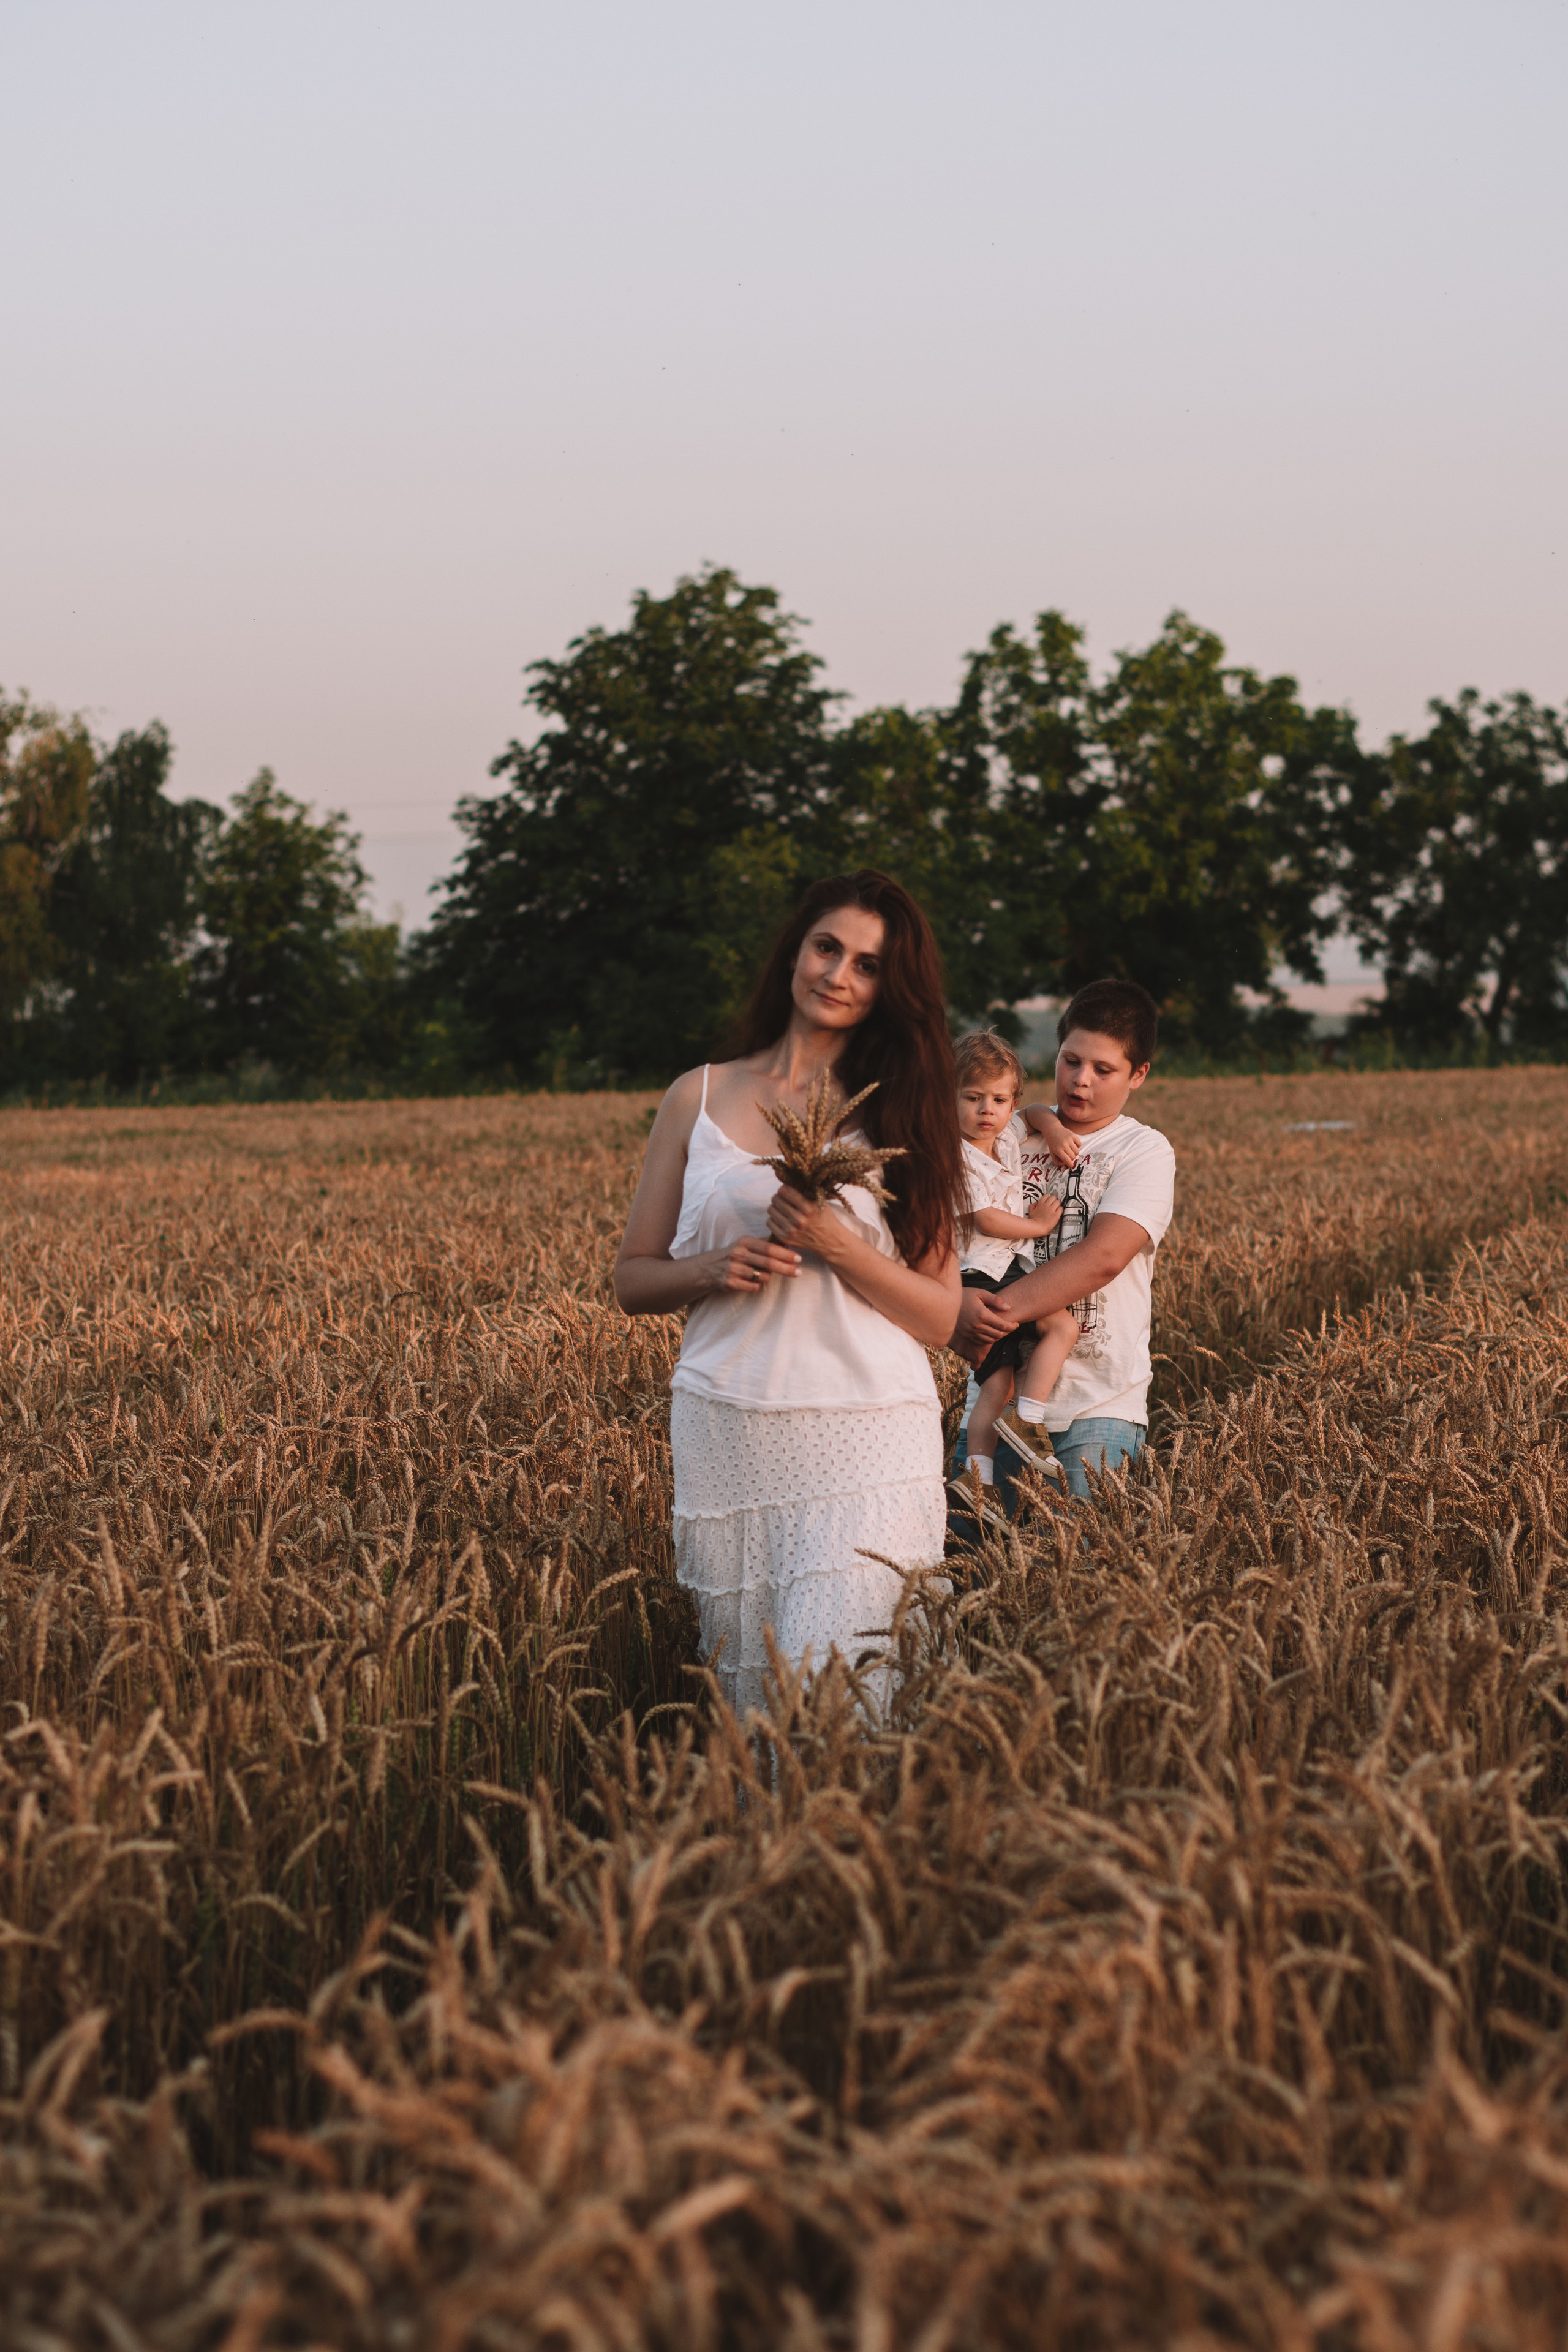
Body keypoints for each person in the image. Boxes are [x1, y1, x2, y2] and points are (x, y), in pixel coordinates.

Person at [614, 870, 962, 1718]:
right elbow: (632, 1278)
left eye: (869, 966)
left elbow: (943, 1315)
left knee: (833, 1689)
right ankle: (776, 1852)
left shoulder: (907, 1111)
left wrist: (838, 1246)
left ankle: (859, 1845)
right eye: (828, 947)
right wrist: (713, 1268)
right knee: (756, 1691)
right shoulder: (695, 1096)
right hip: (730, 1427)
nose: (840, 975)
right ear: (795, 951)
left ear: (892, 990)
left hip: (867, 1427)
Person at [950, 979, 1175, 1509]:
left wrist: (974, 1314)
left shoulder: (1142, 1150)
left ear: (1138, 1074)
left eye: (1104, 1070)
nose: (1080, 1081)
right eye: (1071, 1061)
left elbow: (1102, 1259)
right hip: (991, 1397)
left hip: (1094, 1412)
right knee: (975, 1572)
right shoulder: (1003, 1129)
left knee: (1080, 1580)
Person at [951, 1028, 1079, 1499]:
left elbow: (1035, 1113)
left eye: (999, 1099)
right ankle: (1027, 1420)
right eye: (973, 1097)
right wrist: (1037, 1226)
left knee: (997, 1384)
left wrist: (1054, 1128)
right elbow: (984, 1217)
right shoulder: (955, 1157)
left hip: (1003, 1271)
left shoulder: (1005, 1136)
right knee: (1063, 1328)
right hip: (983, 1274)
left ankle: (978, 1478)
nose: (988, 1110)